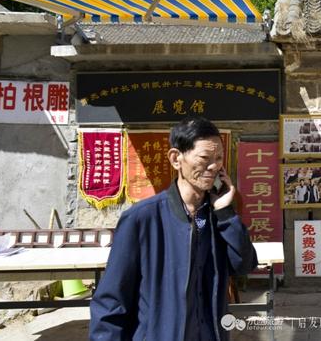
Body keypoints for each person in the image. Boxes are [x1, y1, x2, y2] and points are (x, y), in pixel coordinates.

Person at [90, 117, 258, 341]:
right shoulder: (141, 218)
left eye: (218, 159)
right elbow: (111, 300)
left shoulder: (216, 215)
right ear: (176, 159)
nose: (214, 166)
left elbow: (244, 265)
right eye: (204, 158)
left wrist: (226, 214)